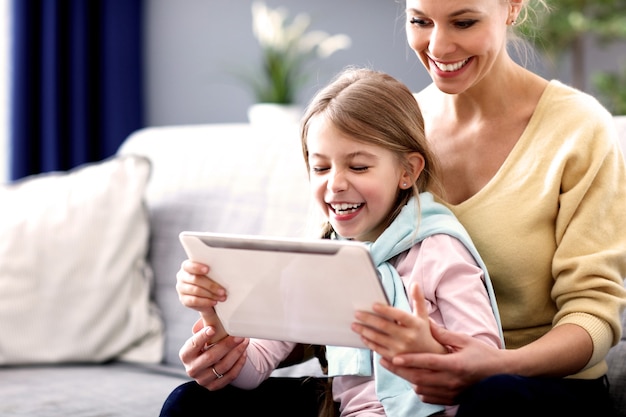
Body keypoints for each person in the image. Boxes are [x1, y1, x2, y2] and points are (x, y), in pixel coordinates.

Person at [159, 67, 503, 417]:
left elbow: (488, 374)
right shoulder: (315, 261)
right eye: (321, 168)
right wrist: (213, 315)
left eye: (358, 167)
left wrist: (426, 349)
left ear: (407, 171)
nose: (335, 184)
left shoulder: (438, 249)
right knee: (188, 403)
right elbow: (253, 370)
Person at [350, 0, 626, 416]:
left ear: (512, 8)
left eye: (464, 22)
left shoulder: (579, 130)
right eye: (419, 21)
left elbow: (594, 315)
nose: (438, 47)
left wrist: (497, 365)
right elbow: (336, 269)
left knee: (491, 397)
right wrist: (238, 340)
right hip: (405, 392)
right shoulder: (393, 127)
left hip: (539, 390)